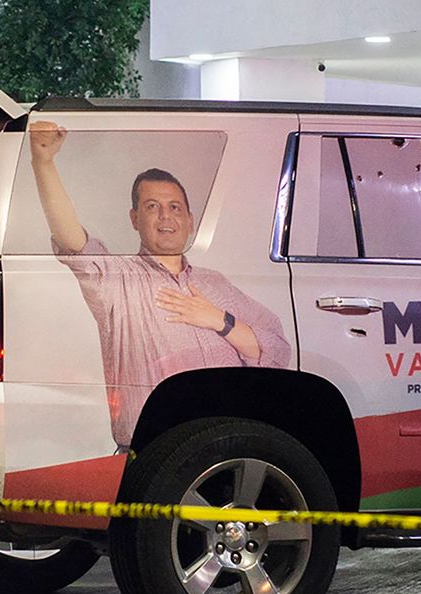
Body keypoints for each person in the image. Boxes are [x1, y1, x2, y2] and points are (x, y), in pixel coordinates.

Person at [29, 121, 291, 450]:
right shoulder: (118, 279)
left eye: (175, 208)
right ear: (134, 218)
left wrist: (219, 321)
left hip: (230, 446)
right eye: (152, 207)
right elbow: (72, 241)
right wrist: (44, 162)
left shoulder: (215, 283)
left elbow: (277, 350)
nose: (165, 217)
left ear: (190, 221)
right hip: (159, 451)